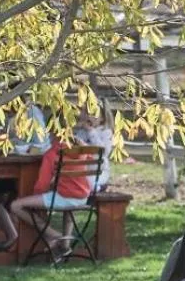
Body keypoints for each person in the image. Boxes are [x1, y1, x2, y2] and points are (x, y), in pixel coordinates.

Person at [8, 107, 113, 261]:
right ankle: (65, 246)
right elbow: (101, 164)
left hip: (65, 197)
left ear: (50, 131)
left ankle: (54, 235)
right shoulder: (82, 146)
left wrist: (37, 196)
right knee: (65, 206)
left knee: (15, 206)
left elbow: (42, 185)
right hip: (83, 197)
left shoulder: (52, 153)